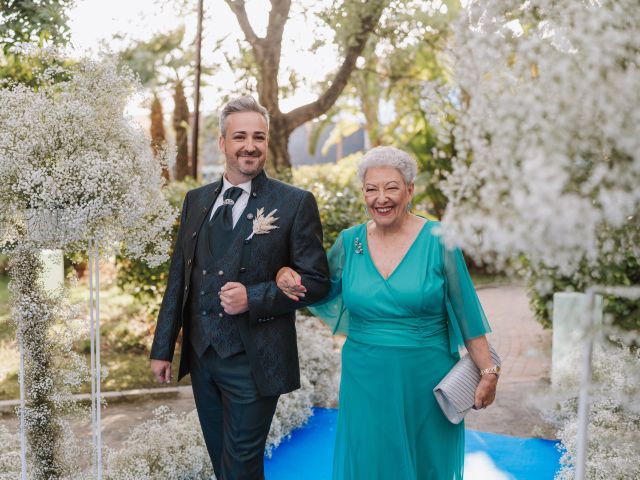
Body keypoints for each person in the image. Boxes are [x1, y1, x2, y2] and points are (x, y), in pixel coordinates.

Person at [276, 146, 498, 480]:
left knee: (428, 465)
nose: (381, 198)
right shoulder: (351, 242)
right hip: (365, 378)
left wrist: (489, 372)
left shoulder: (439, 239)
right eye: (371, 189)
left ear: (410, 190)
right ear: (363, 194)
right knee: (370, 463)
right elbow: (317, 286)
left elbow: (467, 312)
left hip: (428, 378)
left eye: (391, 187)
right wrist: (283, 274)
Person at [149, 95, 330, 480]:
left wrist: (255, 297)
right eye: (241, 136)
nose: (250, 146)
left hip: (254, 359)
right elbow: (179, 279)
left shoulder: (293, 203)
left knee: (242, 466)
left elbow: (316, 282)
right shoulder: (195, 201)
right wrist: (163, 347)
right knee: (223, 464)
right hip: (202, 358)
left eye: (259, 137)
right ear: (223, 143)